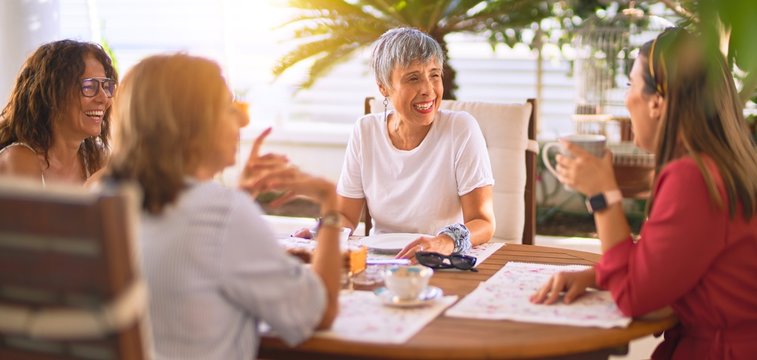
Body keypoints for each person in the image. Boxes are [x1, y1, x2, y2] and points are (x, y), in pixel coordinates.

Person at [530, 28, 757, 359]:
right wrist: (597, 275)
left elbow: (634, 297)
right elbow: (669, 261)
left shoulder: (691, 177)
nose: (625, 100)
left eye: (629, 85)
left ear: (656, 102)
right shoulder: (723, 164)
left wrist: (602, 195)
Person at [106, 53, 341, 360]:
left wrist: (238, 200)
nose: (243, 121)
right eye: (229, 109)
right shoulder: (220, 214)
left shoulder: (111, 203)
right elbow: (318, 312)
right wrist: (329, 204)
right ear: (191, 124)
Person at [297, 27, 496, 260]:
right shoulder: (365, 131)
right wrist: (320, 231)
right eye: (413, 78)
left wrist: (444, 241)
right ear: (383, 86)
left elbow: (483, 222)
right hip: (378, 260)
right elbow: (346, 216)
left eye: (434, 74)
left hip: (440, 259)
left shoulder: (461, 129)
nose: (428, 90)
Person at [0, 39, 117, 186]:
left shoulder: (97, 159)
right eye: (89, 86)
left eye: (106, 86)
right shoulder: (18, 159)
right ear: (53, 94)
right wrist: (90, 190)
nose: (104, 97)